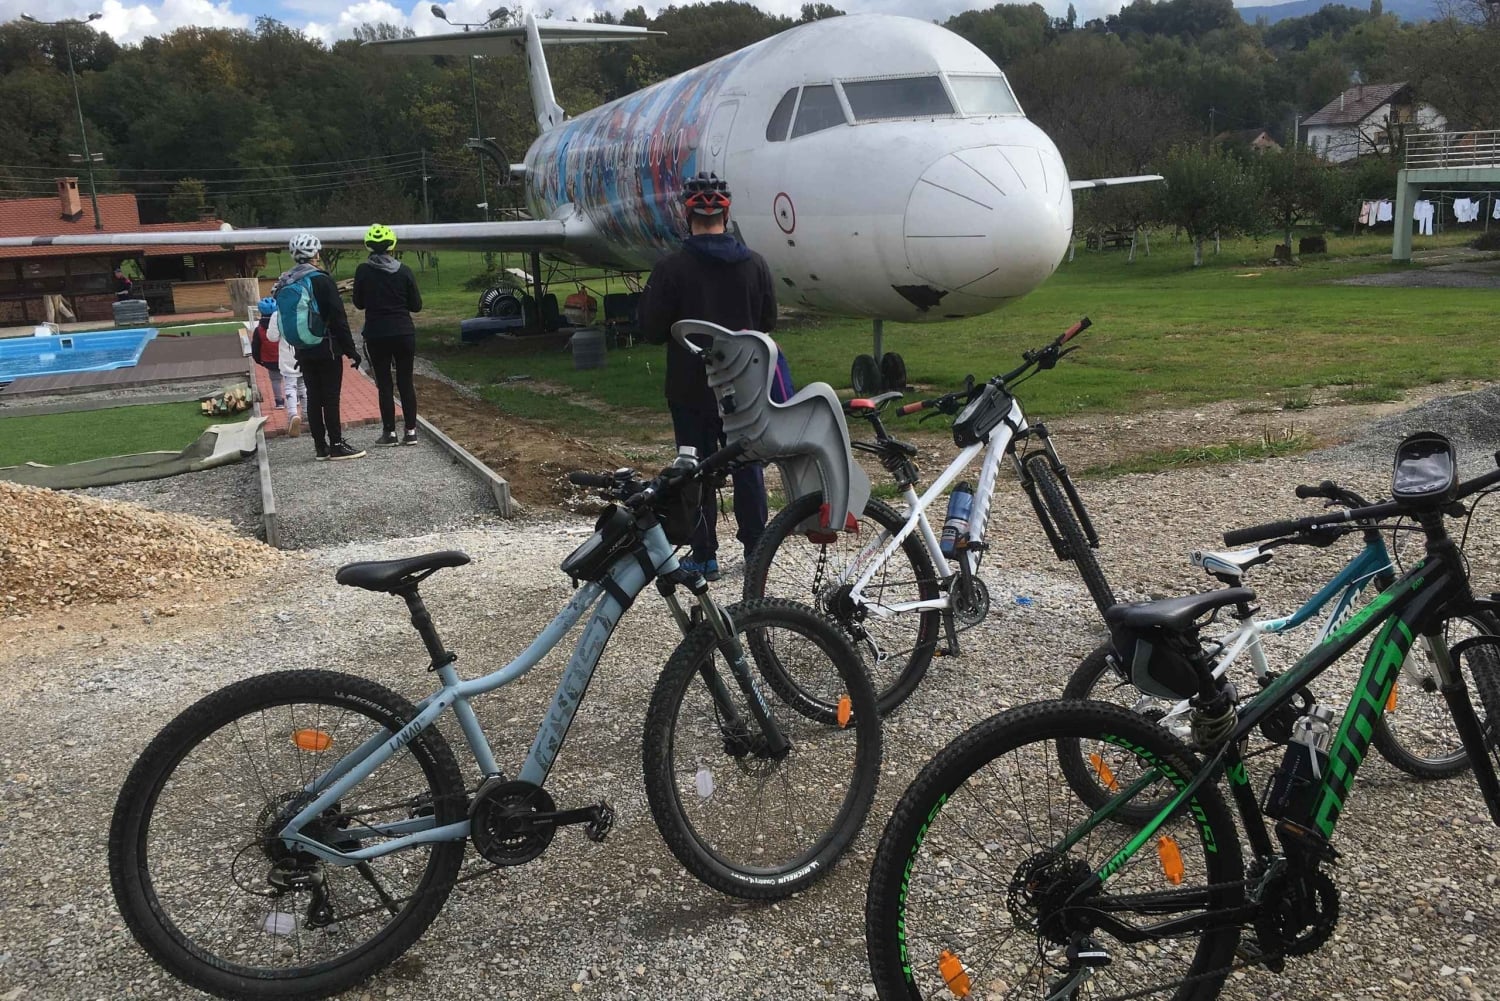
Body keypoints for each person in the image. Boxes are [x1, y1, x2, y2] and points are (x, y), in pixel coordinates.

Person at [640, 172, 777, 581]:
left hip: (690, 387)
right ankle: (757, 550)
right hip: (744, 387)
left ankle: (704, 555)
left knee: (693, 470)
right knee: (747, 465)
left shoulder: (671, 269)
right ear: (726, 211)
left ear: (688, 214)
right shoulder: (755, 265)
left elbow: (649, 330)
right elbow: (767, 322)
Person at [273, 233, 365, 461]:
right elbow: (338, 317)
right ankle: (336, 445)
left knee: (314, 396)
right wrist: (351, 350)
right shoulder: (321, 279)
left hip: (302, 348)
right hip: (327, 347)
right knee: (331, 397)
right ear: (315, 253)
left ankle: (320, 447)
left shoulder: (287, 280)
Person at [352, 223, 423, 446]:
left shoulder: (363, 271)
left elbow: (358, 303)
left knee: (384, 384)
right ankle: (410, 431)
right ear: (392, 246)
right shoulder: (404, 271)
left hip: (377, 334)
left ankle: (389, 433)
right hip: (403, 332)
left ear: (369, 247)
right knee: (405, 381)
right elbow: (416, 305)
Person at [261, 296, 307, 437]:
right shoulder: (302, 310)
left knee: (290, 386)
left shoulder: (277, 314)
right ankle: (307, 413)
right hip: (304, 351)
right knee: (304, 385)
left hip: (287, 355)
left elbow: (272, 337)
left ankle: (293, 414)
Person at [250, 297, 285, 409]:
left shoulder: (259, 330)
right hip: (285, 356)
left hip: (270, 360)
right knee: (291, 378)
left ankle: (279, 401)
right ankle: (296, 398)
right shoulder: (282, 325)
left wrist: (258, 360)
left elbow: (255, 346)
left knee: (275, 380)